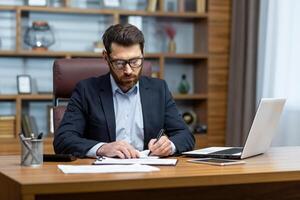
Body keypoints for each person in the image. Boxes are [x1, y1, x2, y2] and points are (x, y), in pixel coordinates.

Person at [53, 24, 195, 158]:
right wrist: (102, 148)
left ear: (143, 54)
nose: (128, 71)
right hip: (104, 176)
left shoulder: (159, 90)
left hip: (150, 173)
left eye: (135, 61)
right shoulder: (86, 90)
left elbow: (185, 135)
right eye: (120, 63)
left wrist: (169, 145)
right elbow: (63, 140)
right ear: (106, 58)